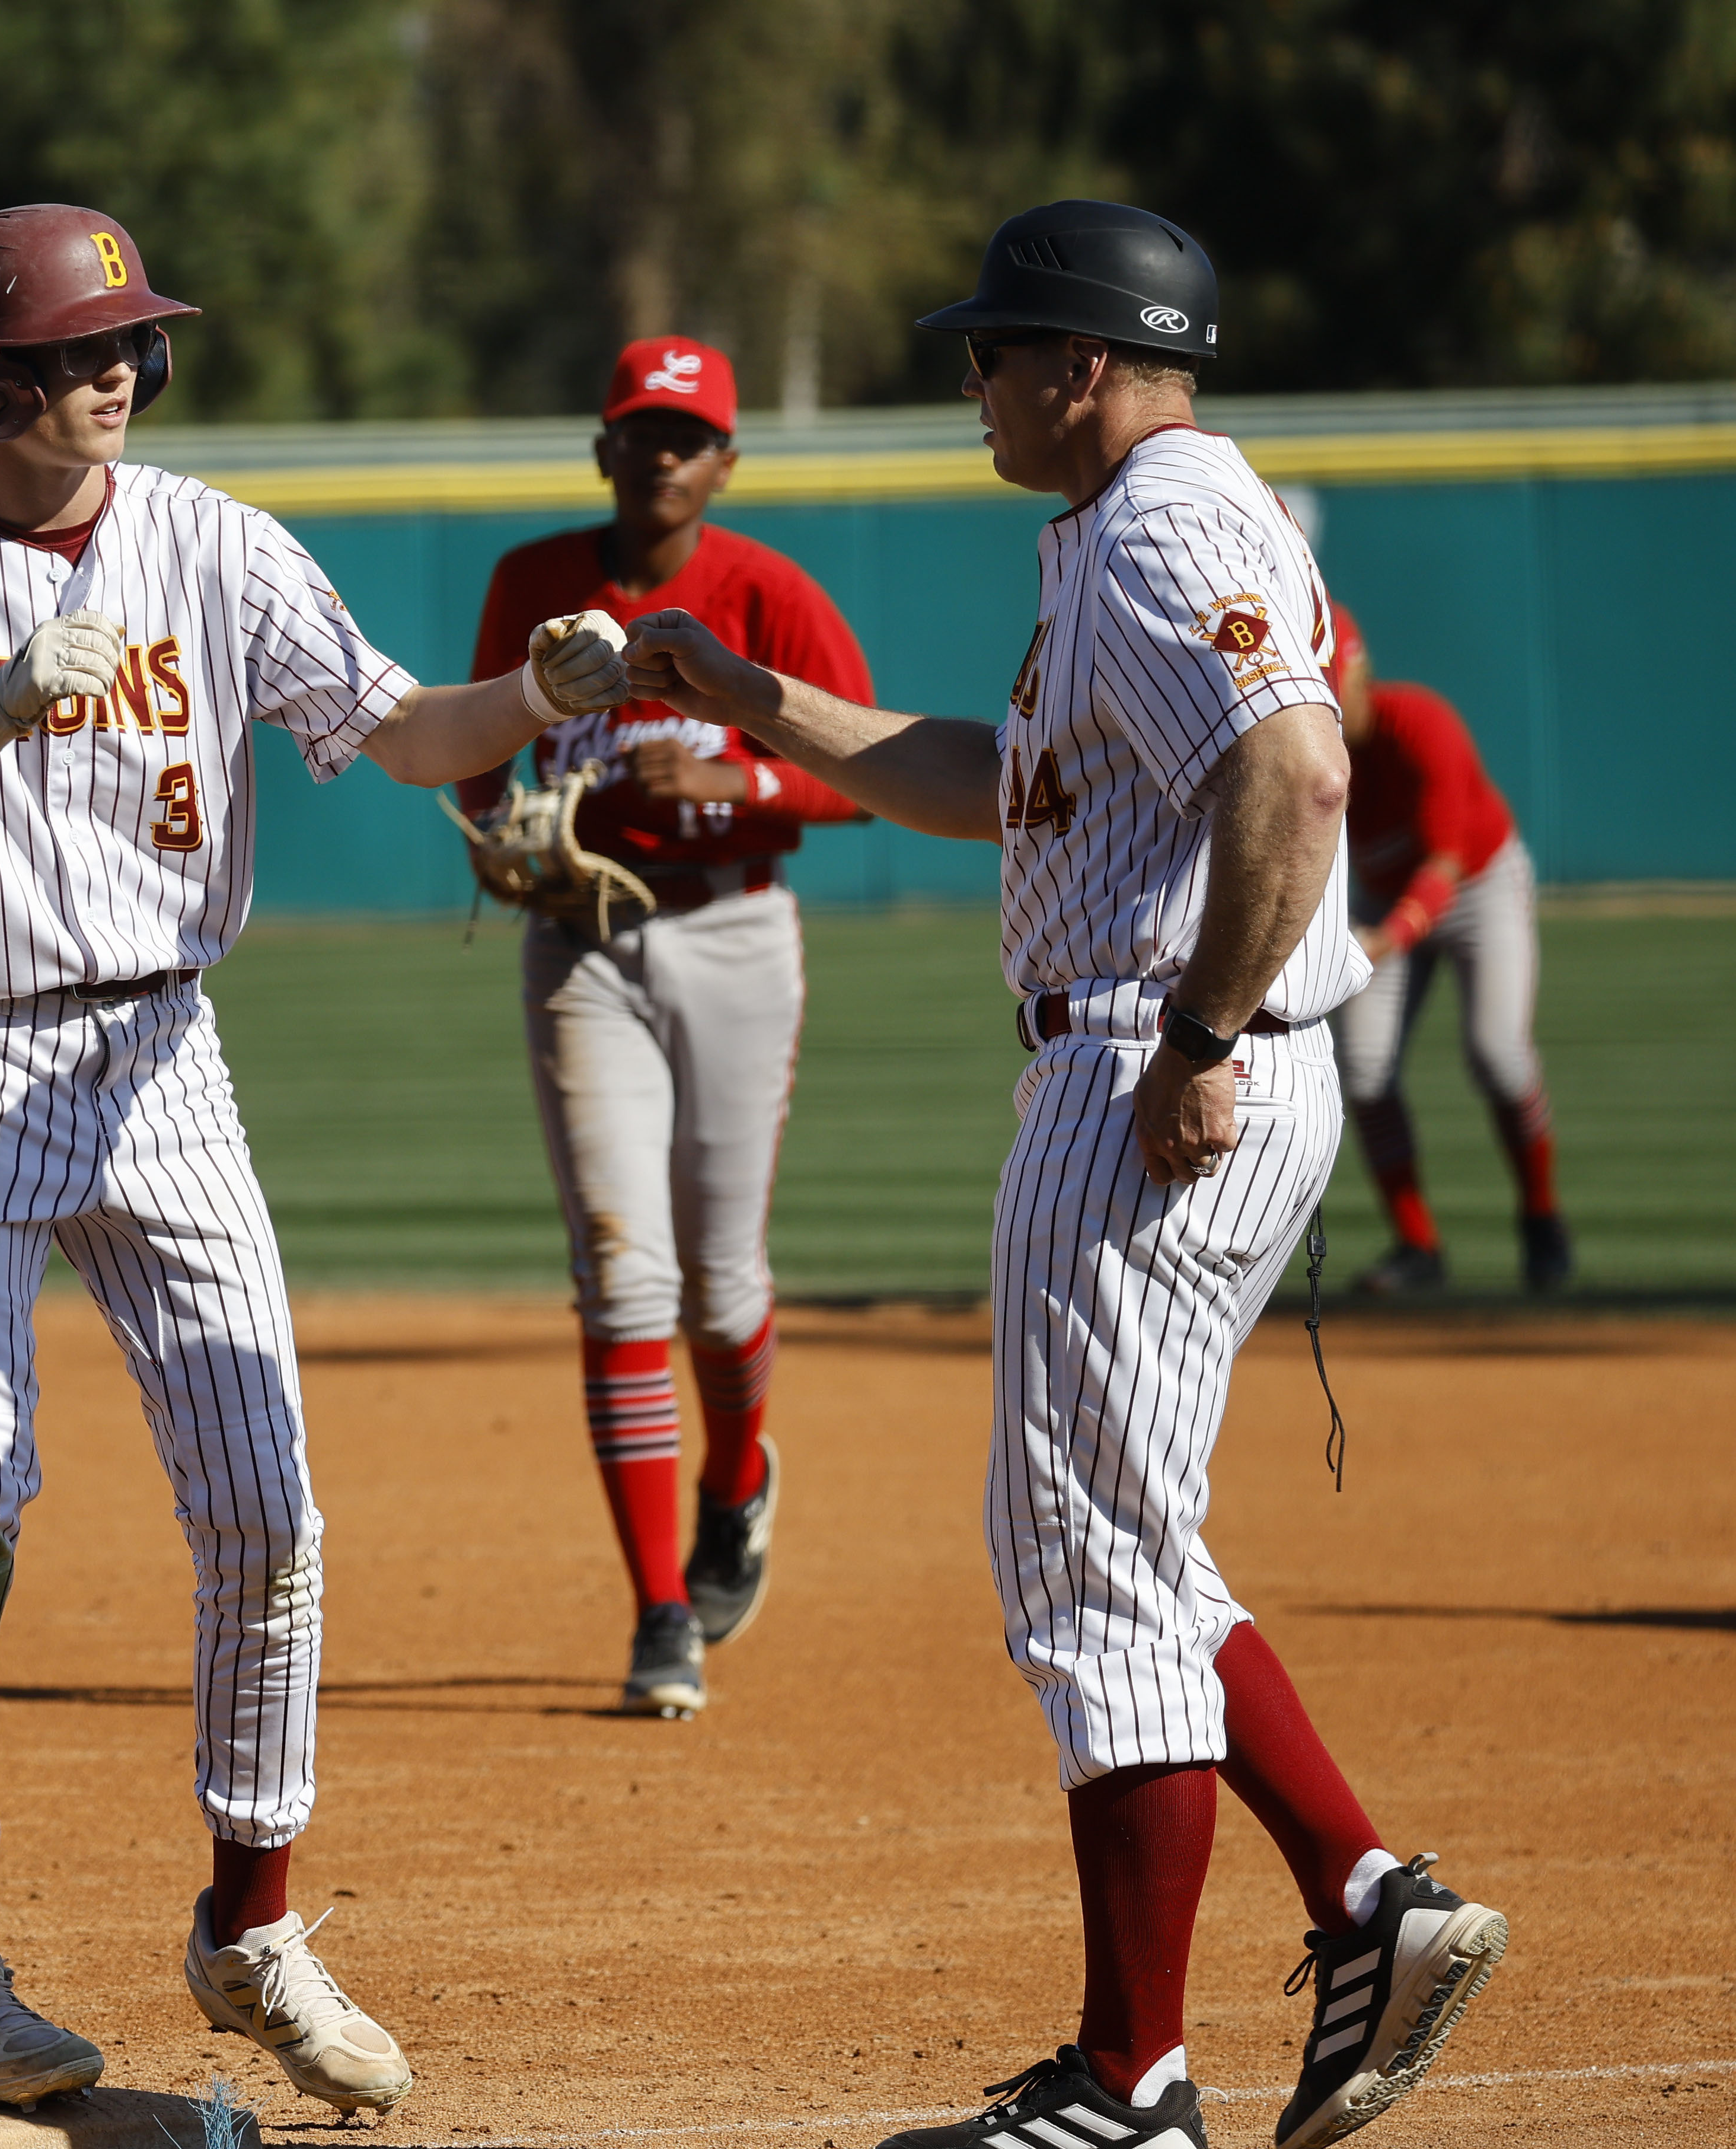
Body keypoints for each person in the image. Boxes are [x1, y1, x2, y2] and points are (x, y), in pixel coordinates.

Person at [623, 202, 1508, 2149]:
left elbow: (1296, 776)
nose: (975, 380)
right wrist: (750, 697)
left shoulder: (1166, 520)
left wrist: (1195, 1040)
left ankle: (1131, 2082)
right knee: (1128, 1541)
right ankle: (1368, 1897)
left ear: (1081, 366)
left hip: (1152, 1072)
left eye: (994, 348)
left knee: (1087, 1568)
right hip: (1166, 1063)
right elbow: (993, 779)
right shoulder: (1134, 531)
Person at [0, 203, 627, 2117]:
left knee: (267, 1501)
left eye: (129, 348)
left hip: (165, 1050)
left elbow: (400, 728)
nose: (118, 377)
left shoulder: (216, 545)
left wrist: (542, 700)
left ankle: (254, 1920)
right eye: (78, 354)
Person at [457, 337, 872, 1718]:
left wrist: (733, 764)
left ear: (723, 462)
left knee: (724, 1282)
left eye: (685, 437)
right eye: (639, 431)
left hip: (734, 928)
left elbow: (864, 775)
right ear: (602, 446)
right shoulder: (533, 585)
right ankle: (656, 1611)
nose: (660, 457)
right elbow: (472, 757)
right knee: (622, 1279)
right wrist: (491, 838)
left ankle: (737, 1470)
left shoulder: (763, 592)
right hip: (580, 943)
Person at [1326, 604, 1571, 1294]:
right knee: (1366, 1071)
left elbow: (1444, 866)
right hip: (1380, 897)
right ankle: (1418, 1247)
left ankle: (1542, 1219)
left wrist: (1385, 939)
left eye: (1331, 684)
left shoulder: (1423, 725)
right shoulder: (1314, 750)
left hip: (1477, 886)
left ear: (1359, 676)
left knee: (1498, 1053)